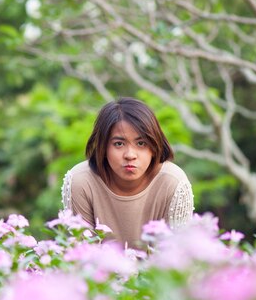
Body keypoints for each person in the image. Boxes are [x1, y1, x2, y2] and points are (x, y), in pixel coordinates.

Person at [61, 97, 194, 248]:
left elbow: (179, 257)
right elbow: (80, 255)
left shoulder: (174, 183)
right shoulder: (80, 181)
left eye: (141, 143)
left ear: (154, 146)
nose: (130, 154)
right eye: (119, 144)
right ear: (103, 148)